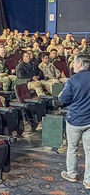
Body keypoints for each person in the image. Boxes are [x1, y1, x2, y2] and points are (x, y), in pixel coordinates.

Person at [59, 54, 90, 189]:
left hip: (75, 120)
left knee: (72, 149)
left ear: (80, 65)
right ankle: (88, 181)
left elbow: (63, 99)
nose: (72, 65)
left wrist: (61, 95)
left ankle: (72, 174)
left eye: (74, 63)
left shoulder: (72, 80)